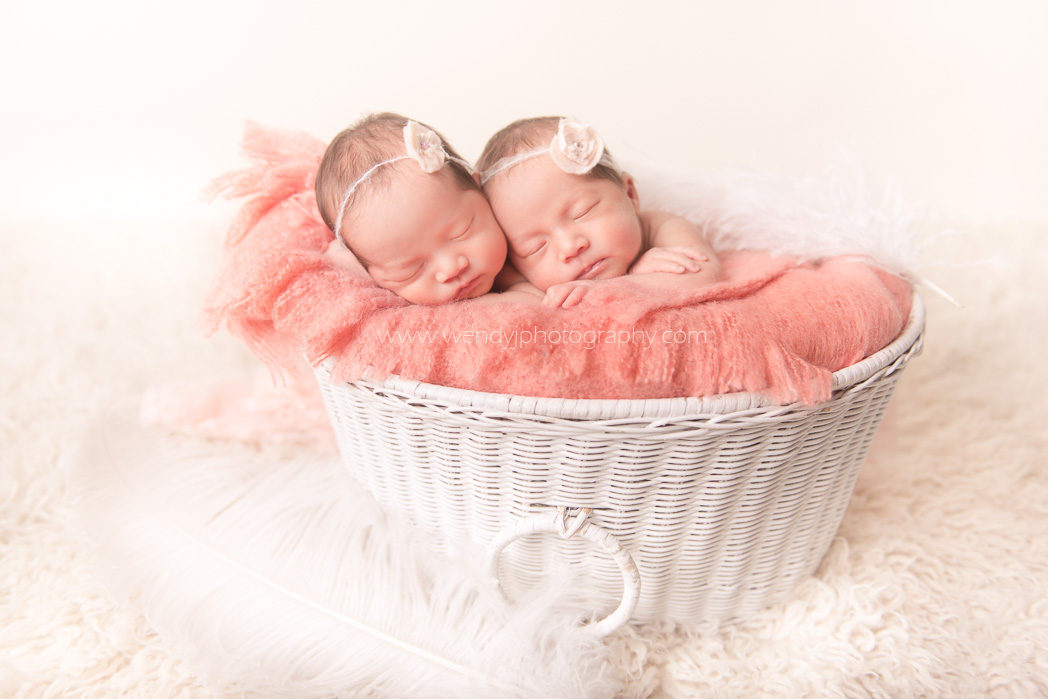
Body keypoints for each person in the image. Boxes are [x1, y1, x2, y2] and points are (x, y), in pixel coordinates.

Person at [477, 117, 722, 307]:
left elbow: (706, 274)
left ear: (630, 195)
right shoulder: (525, 281)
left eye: (582, 213)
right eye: (536, 247)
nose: (570, 247)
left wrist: (630, 284)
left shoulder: (662, 227)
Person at [315, 112, 515, 305]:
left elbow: (532, 305)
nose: (451, 269)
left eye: (460, 233)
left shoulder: (521, 252)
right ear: (370, 272)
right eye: (411, 270)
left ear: (479, 187)